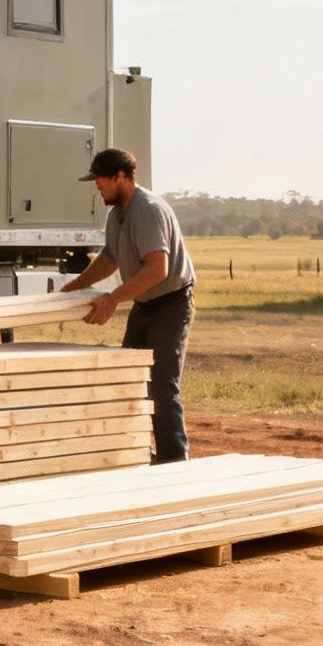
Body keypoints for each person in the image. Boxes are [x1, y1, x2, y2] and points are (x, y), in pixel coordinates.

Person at [58, 148, 196, 463]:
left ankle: (174, 461)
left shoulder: (146, 210)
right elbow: (110, 258)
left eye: (102, 180)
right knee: (129, 376)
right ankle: (134, 452)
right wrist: (75, 287)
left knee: (161, 383)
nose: (98, 186)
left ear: (122, 176)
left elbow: (157, 269)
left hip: (171, 302)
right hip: (145, 302)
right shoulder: (116, 214)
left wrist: (111, 300)